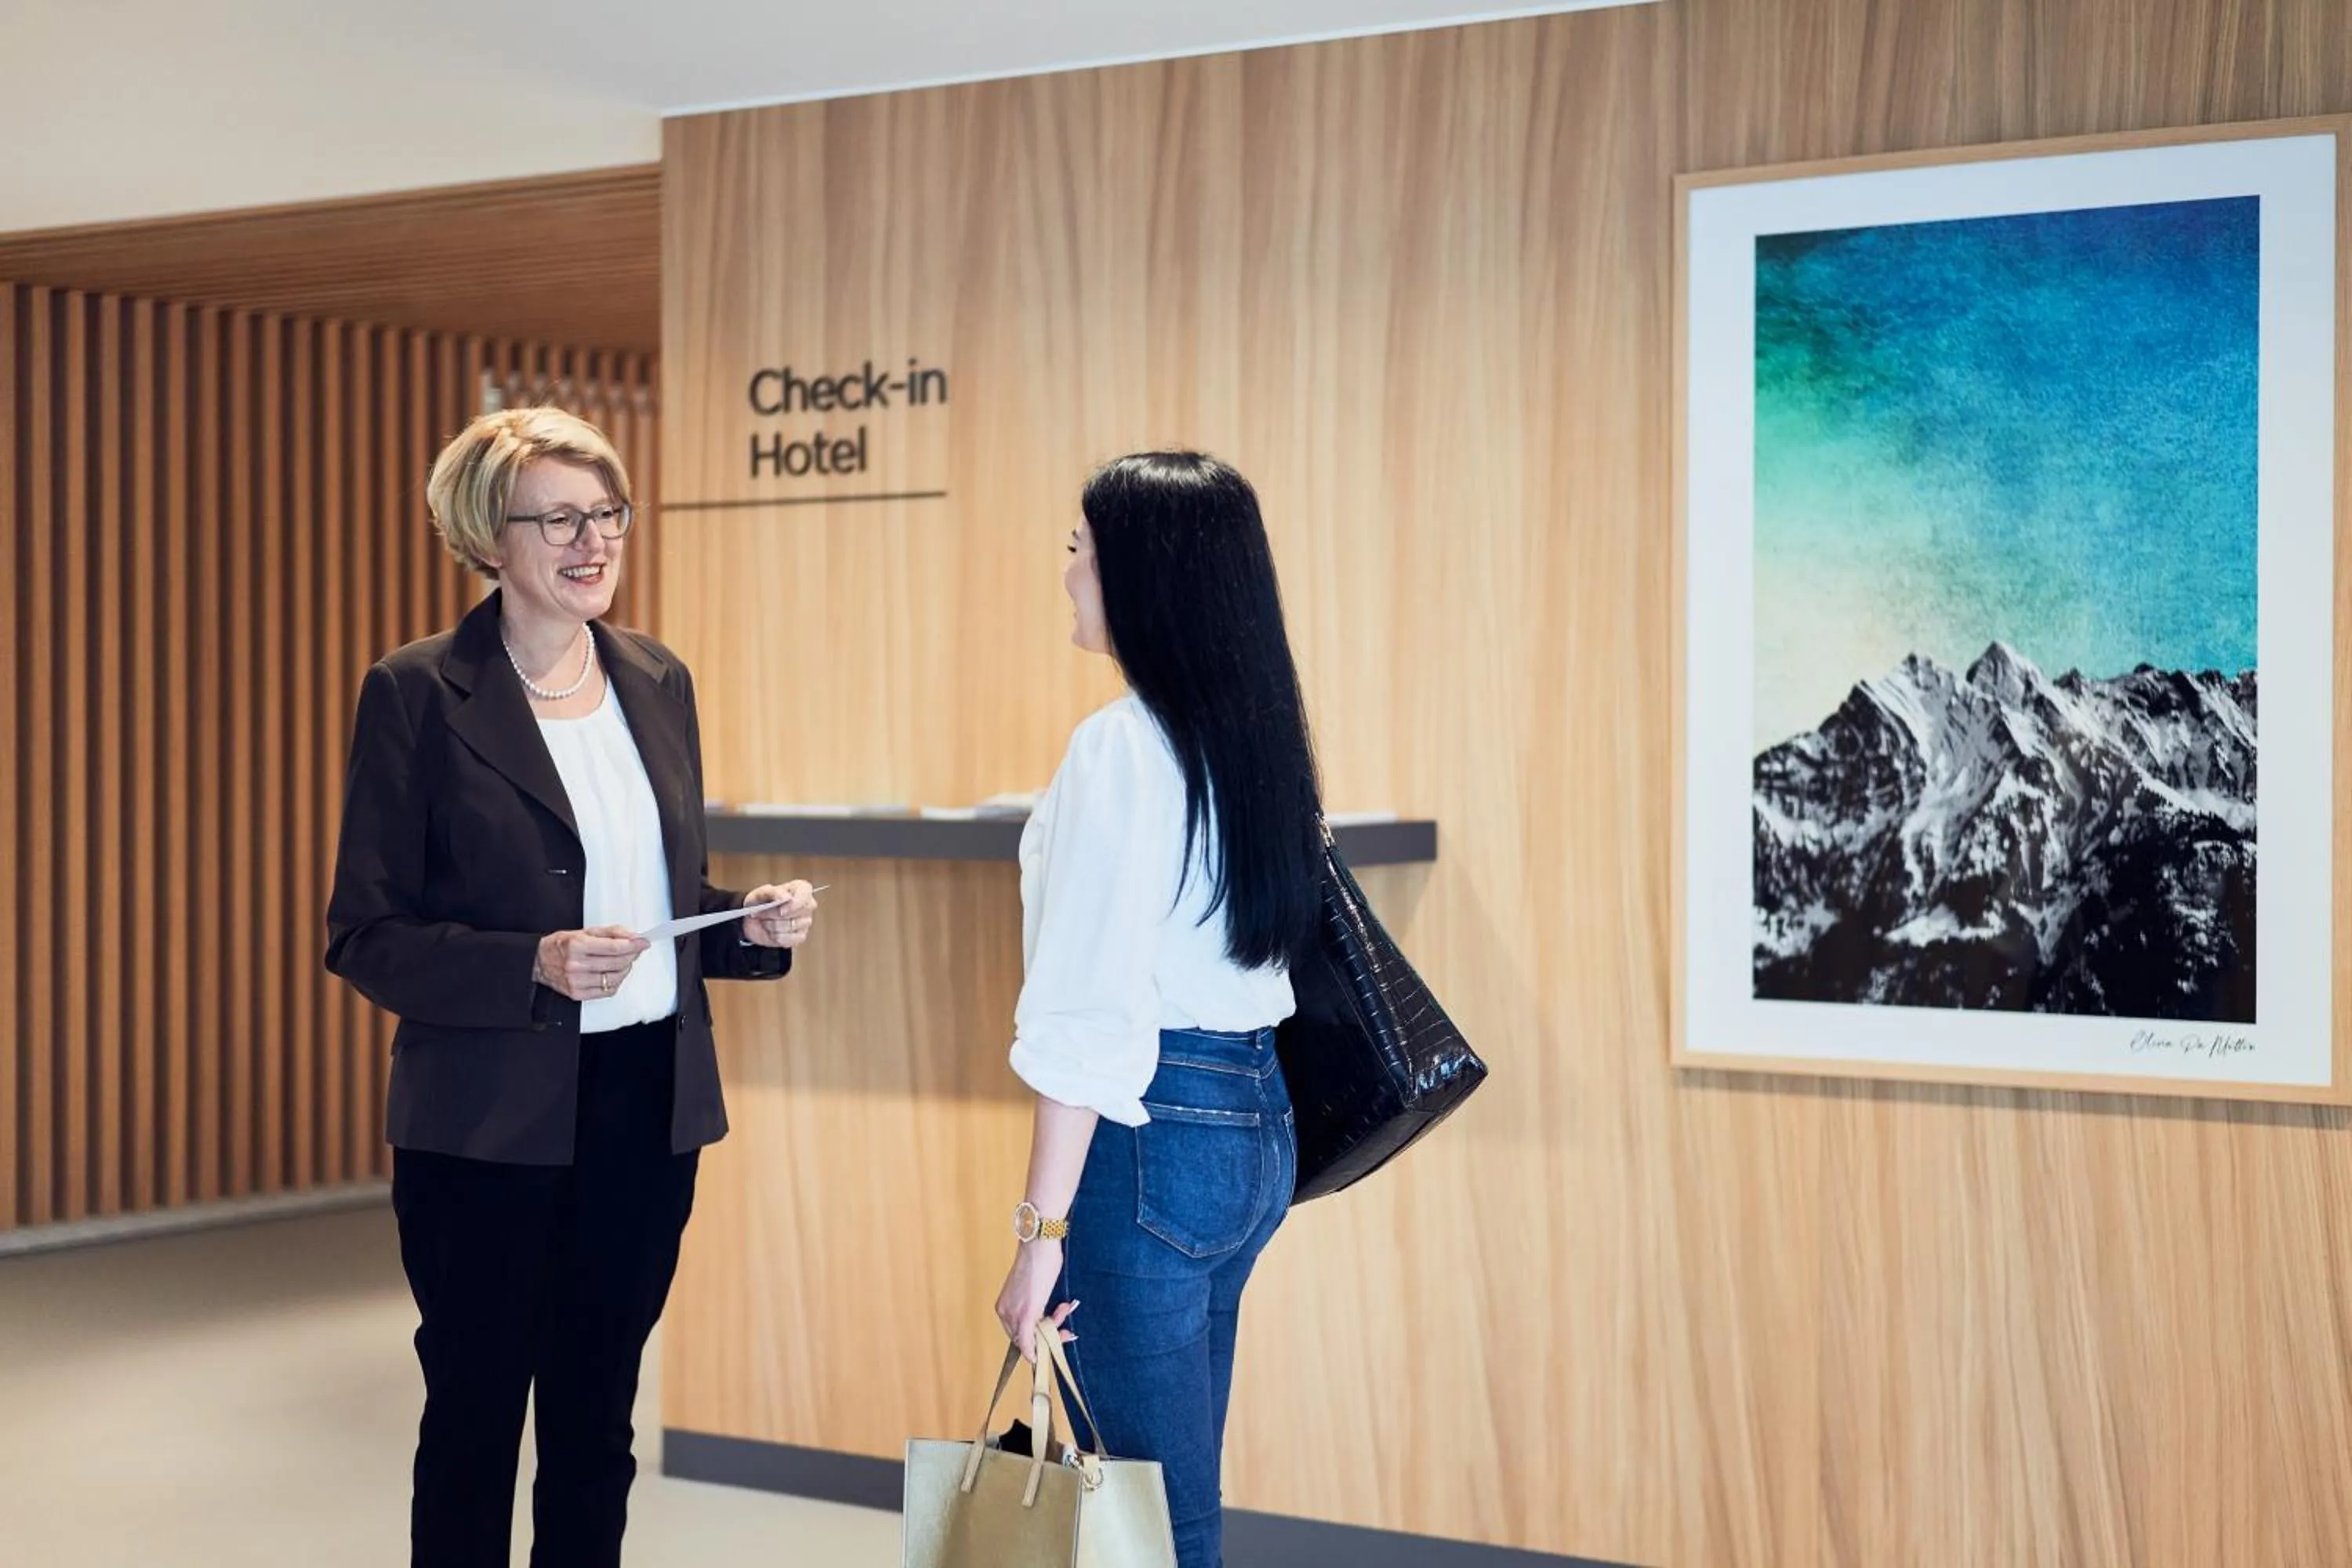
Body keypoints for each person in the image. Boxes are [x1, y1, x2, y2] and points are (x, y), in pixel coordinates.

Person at [325, 406, 820, 1568]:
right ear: (487, 537)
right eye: (558, 519)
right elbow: (367, 934)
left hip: (647, 1104)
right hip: (486, 1122)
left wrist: (743, 924)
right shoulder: (415, 693)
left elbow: (656, 886)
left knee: (598, 1425)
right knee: (476, 1424)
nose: (593, 543)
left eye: (607, 515)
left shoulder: (657, 677)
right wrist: (531, 966)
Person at [993, 451, 1324, 1568]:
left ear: (1143, 572)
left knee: (1145, 1525)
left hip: (1151, 1141)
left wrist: (1039, 1238)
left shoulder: (1121, 747)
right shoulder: (1257, 738)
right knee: (1170, 1502)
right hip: (1251, 1129)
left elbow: (1089, 1021)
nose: (1069, 574)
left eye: (1080, 550)